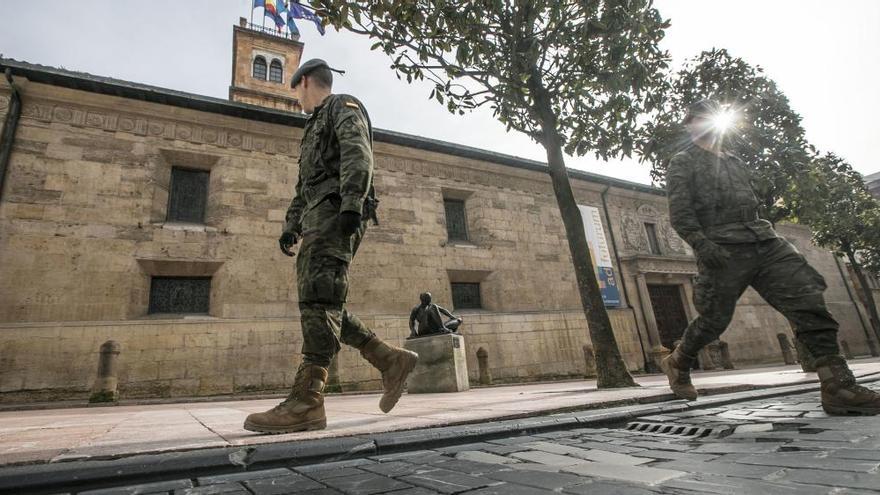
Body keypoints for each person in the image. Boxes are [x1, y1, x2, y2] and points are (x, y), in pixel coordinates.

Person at [661, 99, 880, 415]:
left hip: (765, 242)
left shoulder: (735, 161)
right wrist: (703, 245)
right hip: (723, 249)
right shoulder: (684, 162)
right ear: (690, 124)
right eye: (700, 119)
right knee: (714, 319)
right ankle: (679, 361)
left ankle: (838, 386)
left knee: (808, 300)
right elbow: (680, 214)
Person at [244, 59, 419, 434]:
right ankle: (388, 360)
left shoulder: (343, 105)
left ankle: (307, 401)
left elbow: (358, 151)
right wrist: (291, 225)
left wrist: (353, 203)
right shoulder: (312, 128)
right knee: (322, 301)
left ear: (305, 81)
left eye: (296, 94)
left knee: (319, 298)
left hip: (336, 212)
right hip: (316, 217)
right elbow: (303, 186)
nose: (298, 103)